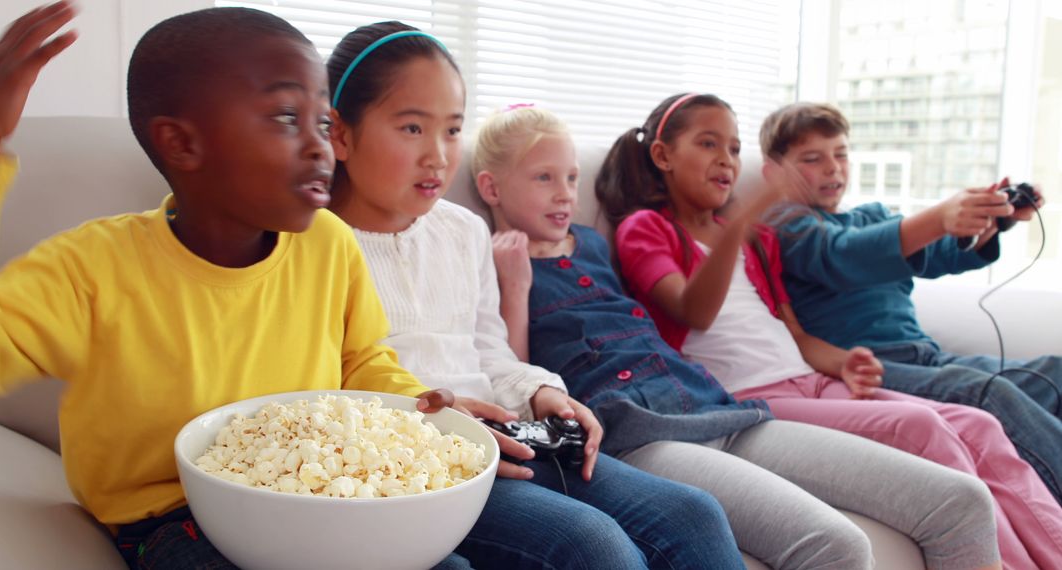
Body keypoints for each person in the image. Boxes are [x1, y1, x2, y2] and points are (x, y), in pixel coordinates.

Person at [0, 4, 455, 568]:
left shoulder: (327, 242)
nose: (320, 146)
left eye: (323, 123)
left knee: (554, 546)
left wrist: (407, 405)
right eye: (286, 118)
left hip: (321, 495)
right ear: (182, 144)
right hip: (167, 518)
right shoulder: (92, 268)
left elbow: (360, 360)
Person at [476, 103, 1004, 569]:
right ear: (491, 187)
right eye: (544, 178)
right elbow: (517, 381)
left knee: (961, 500)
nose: (565, 194)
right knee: (837, 545)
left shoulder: (591, 242)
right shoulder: (487, 258)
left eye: (570, 178)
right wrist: (516, 286)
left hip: (714, 401)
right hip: (640, 429)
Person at [322, 21, 743, 569]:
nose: (439, 156)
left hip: (510, 433)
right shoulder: (312, 245)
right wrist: (441, 430)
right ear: (340, 134)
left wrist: (545, 394)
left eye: (451, 131)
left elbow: (488, 350)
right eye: (410, 129)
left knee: (695, 516)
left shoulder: (462, 229)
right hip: (419, 464)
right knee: (593, 546)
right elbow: (321, 390)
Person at [602, 91, 1062, 567]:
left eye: (735, 149)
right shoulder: (647, 228)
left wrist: (844, 362)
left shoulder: (758, 240)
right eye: (708, 144)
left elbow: (795, 335)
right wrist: (735, 226)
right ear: (663, 156)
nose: (726, 160)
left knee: (978, 423)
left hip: (810, 379)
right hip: (747, 396)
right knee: (922, 424)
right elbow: (693, 310)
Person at [762, 101, 1062, 507]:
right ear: (773, 172)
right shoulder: (787, 226)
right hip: (871, 368)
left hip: (927, 358)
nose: (833, 168)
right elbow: (844, 256)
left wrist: (988, 222)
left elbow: (940, 253)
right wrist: (938, 217)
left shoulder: (871, 216)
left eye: (841, 154)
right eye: (813, 159)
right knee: (987, 392)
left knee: (1052, 374)